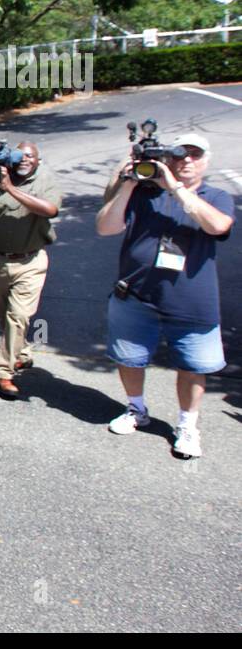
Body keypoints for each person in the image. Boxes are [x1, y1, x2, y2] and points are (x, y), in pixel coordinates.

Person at [95, 132, 234, 458]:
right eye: (178, 154)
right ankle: (136, 409)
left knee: (192, 365)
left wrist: (175, 187)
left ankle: (187, 426)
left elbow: (218, 226)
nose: (186, 160)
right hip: (135, 296)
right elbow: (105, 227)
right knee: (128, 358)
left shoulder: (216, 196)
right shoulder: (142, 194)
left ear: (206, 161)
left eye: (194, 155)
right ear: (165, 158)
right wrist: (127, 182)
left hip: (192, 302)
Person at [0, 141, 62, 399]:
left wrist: (10, 189)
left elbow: (50, 209)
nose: (26, 160)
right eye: (21, 156)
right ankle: (22, 352)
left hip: (31, 261)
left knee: (17, 316)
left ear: (38, 160)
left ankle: (3, 374)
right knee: (5, 315)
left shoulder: (44, 178)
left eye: (31, 156)